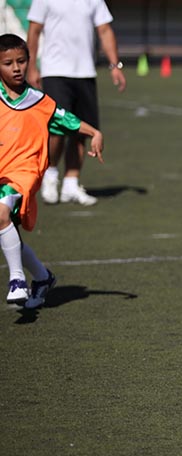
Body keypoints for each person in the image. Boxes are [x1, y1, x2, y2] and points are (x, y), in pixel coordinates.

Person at [0, 34, 103, 309]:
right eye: (8, 63)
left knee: (0, 213)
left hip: (24, 172)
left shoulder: (37, 100)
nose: (17, 68)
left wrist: (93, 131)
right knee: (5, 229)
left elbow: (65, 119)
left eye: (21, 61)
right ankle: (43, 278)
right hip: (2, 172)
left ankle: (17, 279)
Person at [26, 0, 126, 206]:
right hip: (55, 71)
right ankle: (51, 175)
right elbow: (34, 31)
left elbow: (105, 30)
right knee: (57, 129)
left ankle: (71, 184)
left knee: (83, 131)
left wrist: (115, 65)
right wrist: (31, 67)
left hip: (85, 72)